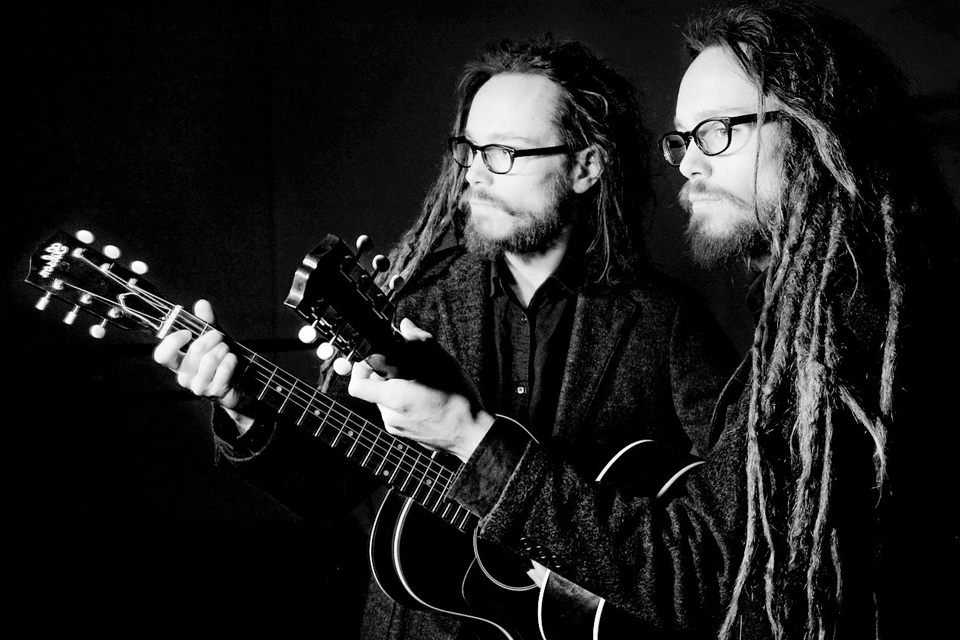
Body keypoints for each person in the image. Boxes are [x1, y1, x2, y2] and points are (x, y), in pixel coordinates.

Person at [351, 2, 960, 638]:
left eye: (716, 131)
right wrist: (248, 417)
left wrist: (471, 437)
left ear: (816, 132)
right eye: (683, 139)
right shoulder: (813, 317)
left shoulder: (842, 334)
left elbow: (703, 562)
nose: (688, 163)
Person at [154, 36, 740, 639]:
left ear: (586, 166)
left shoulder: (665, 322)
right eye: (470, 149)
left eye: (505, 152)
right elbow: (327, 486)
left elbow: (729, 528)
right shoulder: (415, 303)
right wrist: (242, 408)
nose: (475, 175)